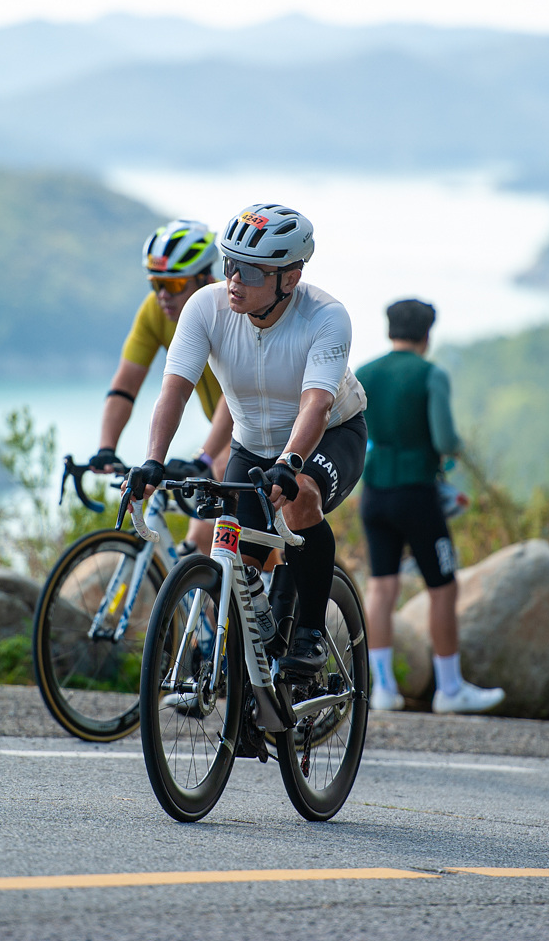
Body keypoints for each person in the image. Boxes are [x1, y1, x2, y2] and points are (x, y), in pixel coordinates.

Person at [129, 203, 367, 675]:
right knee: (236, 571)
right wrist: (153, 460)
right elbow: (174, 390)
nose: (234, 279)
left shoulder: (326, 317)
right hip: (252, 445)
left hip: (330, 435)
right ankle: (241, 682)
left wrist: (291, 462)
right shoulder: (207, 307)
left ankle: (310, 634)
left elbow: (317, 404)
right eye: (229, 264)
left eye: (251, 271)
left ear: (290, 278)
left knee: (300, 498)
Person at [356, 298, 506, 714]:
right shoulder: (430, 374)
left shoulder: (364, 373)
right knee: (443, 587)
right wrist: (455, 452)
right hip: (417, 494)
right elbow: (444, 439)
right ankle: (450, 689)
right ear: (427, 335)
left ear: (390, 330)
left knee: (381, 588)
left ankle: (383, 689)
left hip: (374, 492)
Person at [90, 219, 233, 553]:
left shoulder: (228, 310)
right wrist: (106, 447)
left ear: (205, 279)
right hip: (223, 431)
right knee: (201, 544)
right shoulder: (155, 311)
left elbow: (235, 395)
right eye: (156, 284)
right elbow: (125, 386)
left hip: (259, 425)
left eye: (175, 283)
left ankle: (270, 575)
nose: (163, 295)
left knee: (221, 474)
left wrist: (204, 457)